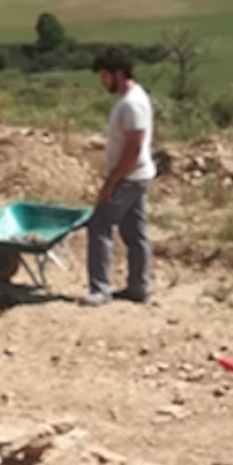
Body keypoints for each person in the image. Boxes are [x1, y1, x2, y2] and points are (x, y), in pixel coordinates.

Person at [81, 46, 155, 307]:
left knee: (99, 224)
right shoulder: (131, 98)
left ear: (118, 74)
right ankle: (138, 287)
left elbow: (134, 148)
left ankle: (99, 289)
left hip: (129, 177)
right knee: (135, 232)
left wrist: (112, 182)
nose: (103, 80)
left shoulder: (132, 104)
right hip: (137, 175)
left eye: (105, 75)